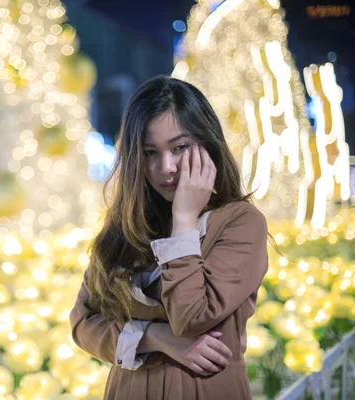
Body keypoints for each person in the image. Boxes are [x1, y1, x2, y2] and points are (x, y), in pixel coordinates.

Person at [70, 75, 269, 399]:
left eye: (179, 148)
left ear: (207, 144)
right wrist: (157, 337)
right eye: (150, 152)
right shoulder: (126, 229)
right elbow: (83, 323)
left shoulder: (241, 223)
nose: (166, 167)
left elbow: (192, 318)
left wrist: (184, 219)